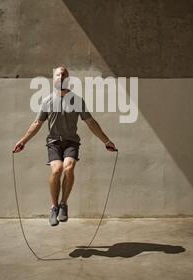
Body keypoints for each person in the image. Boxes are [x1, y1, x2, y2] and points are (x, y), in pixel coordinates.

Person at [13, 66, 117, 226]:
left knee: (68, 167)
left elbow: (91, 122)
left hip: (71, 142)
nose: (61, 76)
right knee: (57, 169)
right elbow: (37, 123)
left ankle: (63, 204)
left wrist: (106, 141)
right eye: (58, 74)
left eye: (64, 74)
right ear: (53, 78)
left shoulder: (77, 101)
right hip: (54, 142)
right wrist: (23, 141)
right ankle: (54, 207)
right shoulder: (47, 101)